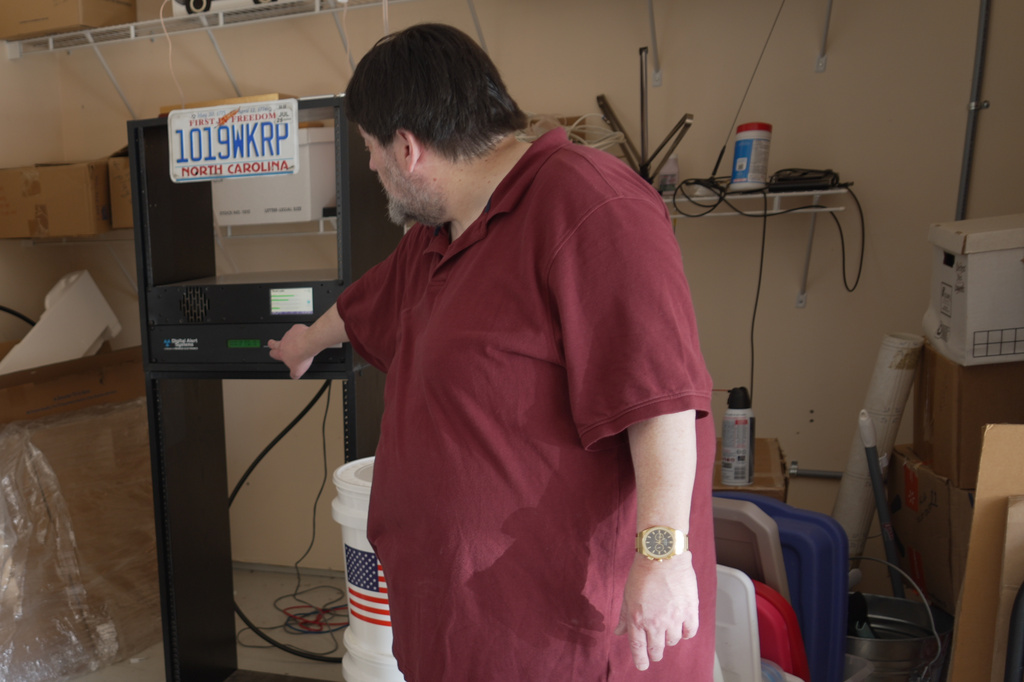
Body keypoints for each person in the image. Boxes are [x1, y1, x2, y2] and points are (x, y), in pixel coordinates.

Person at [268, 23, 717, 682]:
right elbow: (367, 303)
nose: (370, 168)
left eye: (369, 149)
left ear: (407, 146)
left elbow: (662, 404)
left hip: (564, 639)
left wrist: (662, 555)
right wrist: (303, 341)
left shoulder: (591, 207)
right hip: (463, 628)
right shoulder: (439, 237)